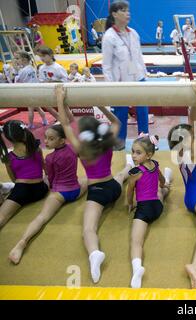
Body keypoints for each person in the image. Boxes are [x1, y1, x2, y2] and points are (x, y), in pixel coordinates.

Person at [55, 84, 132, 284]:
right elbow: (116, 121)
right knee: (120, 176)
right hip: (113, 189)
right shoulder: (107, 141)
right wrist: (101, 106)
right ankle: (129, 166)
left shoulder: (80, 147)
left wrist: (59, 98)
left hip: (97, 192)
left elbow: (64, 124)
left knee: (88, 229)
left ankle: (94, 253)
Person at [8, 124, 88, 264]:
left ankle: (22, 242)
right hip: (75, 190)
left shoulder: (50, 158)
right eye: (45, 138)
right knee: (89, 178)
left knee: (42, 217)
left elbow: (50, 177)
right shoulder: (73, 148)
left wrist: (51, 188)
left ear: (62, 140)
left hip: (59, 193)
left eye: (50, 139)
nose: (46, 141)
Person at [167, 81, 196, 288]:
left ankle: (195, 266)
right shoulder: (194, 152)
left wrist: (193, 103)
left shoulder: (180, 153)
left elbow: (193, 126)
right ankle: (195, 266)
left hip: (189, 197)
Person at [102, 1, 149, 150]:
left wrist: (144, 75)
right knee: (120, 114)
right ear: (114, 14)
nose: (128, 13)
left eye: (128, 10)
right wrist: (111, 87)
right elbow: (107, 65)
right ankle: (119, 142)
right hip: (120, 83)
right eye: (123, 10)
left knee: (142, 110)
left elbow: (139, 56)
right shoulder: (109, 37)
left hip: (138, 78)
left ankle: (144, 139)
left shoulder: (133, 33)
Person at [127, 134, 172, 288]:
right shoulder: (155, 164)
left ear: (149, 155)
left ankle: (136, 269)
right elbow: (161, 180)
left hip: (144, 211)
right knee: (161, 191)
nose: (133, 155)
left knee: (136, 242)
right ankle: (168, 188)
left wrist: (129, 203)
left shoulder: (135, 172)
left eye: (138, 153)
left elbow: (130, 190)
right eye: (133, 151)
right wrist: (164, 184)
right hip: (157, 208)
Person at [0, 120, 48, 230]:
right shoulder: (36, 148)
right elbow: (45, 168)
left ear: (8, 138)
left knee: (2, 216)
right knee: (47, 178)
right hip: (41, 190)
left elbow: (14, 179)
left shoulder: (9, 157)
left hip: (21, 191)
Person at [36, 46, 72, 123]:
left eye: (43, 56)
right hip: (48, 90)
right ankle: (61, 120)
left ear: (51, 55)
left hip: (59, 91)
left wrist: (53, 82)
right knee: (47, 106)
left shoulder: (58, 67)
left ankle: (72, 122)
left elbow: (65, 80)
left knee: (65, 107)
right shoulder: (42, 68)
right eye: (40, 56)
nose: (42, 58)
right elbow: (41, 80)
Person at [13, 51, 48, 129]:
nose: (16, 61)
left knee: (30, 109)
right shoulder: (32, 67)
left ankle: (31, 124)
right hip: (35, 89)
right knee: (38, 107)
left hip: (29, 91)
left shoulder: (23, 70)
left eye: (18, 59)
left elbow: (18, 81)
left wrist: (16, 72)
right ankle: (45, 120)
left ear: (24, 60)